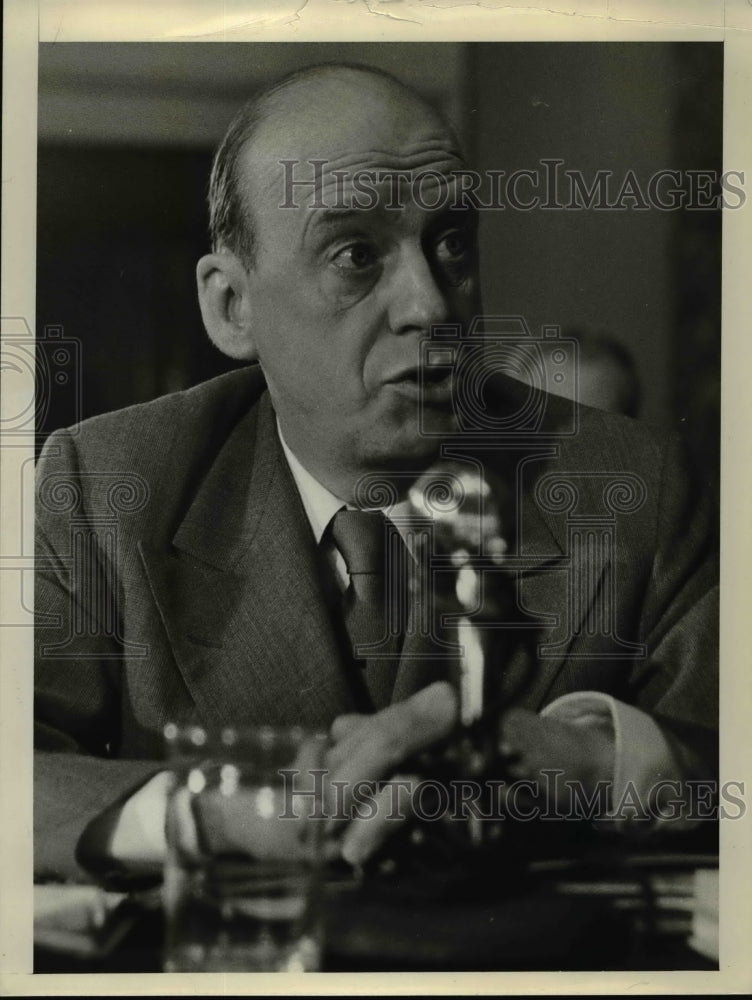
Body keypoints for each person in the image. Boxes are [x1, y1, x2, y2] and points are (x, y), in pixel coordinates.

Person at [34, 63, 718, 884]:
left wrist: (590, 761)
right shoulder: (107, 487)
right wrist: (208, 811)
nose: (431, 305)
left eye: (453, 243)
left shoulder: (634, 489)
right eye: (357, 253)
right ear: (231, 307)